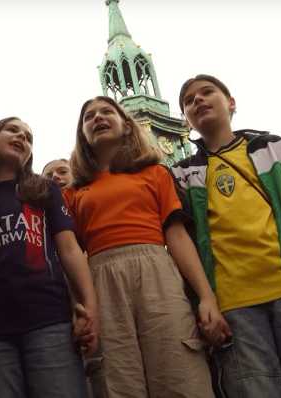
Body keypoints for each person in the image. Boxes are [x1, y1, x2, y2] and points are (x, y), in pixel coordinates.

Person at [64, 96, 226, 398]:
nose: (98, 117)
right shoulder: (72, 193)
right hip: (101, 278)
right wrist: (81, 307)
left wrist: (206, 297)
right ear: (82, 136)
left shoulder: (154, 174)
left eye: (106, 111)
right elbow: (72, 255)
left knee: (180, 369)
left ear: (126, 126)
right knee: (116, 376)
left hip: (157, 271)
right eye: (89, 116)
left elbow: (177, 237)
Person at [173, 74, 281, 397]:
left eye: (207, 92)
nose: (197, 100)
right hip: (233, 309)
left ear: (231, 102)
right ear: (186, 119)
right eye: (188, 100)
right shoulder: (181, 175)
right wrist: (203, 301)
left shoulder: (275, 149)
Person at [0, 117, 99, 398]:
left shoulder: (44, 190)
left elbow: (69, 250)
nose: (22, 137)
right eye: (13, 130)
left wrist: (90, 306)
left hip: (50, 323)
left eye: (29, 137)